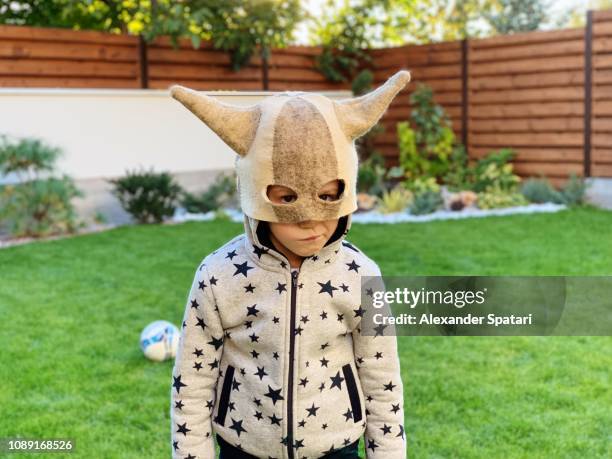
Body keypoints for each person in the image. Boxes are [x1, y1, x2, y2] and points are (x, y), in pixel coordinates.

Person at [169, 69, 410, 459]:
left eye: (329, 196)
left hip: (335, 448)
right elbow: (193, 380)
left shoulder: (361, 275)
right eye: (286, 199)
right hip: (243, 448)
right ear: (255, 190)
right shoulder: (218, 276)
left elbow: (382, 378)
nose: (311, 221)